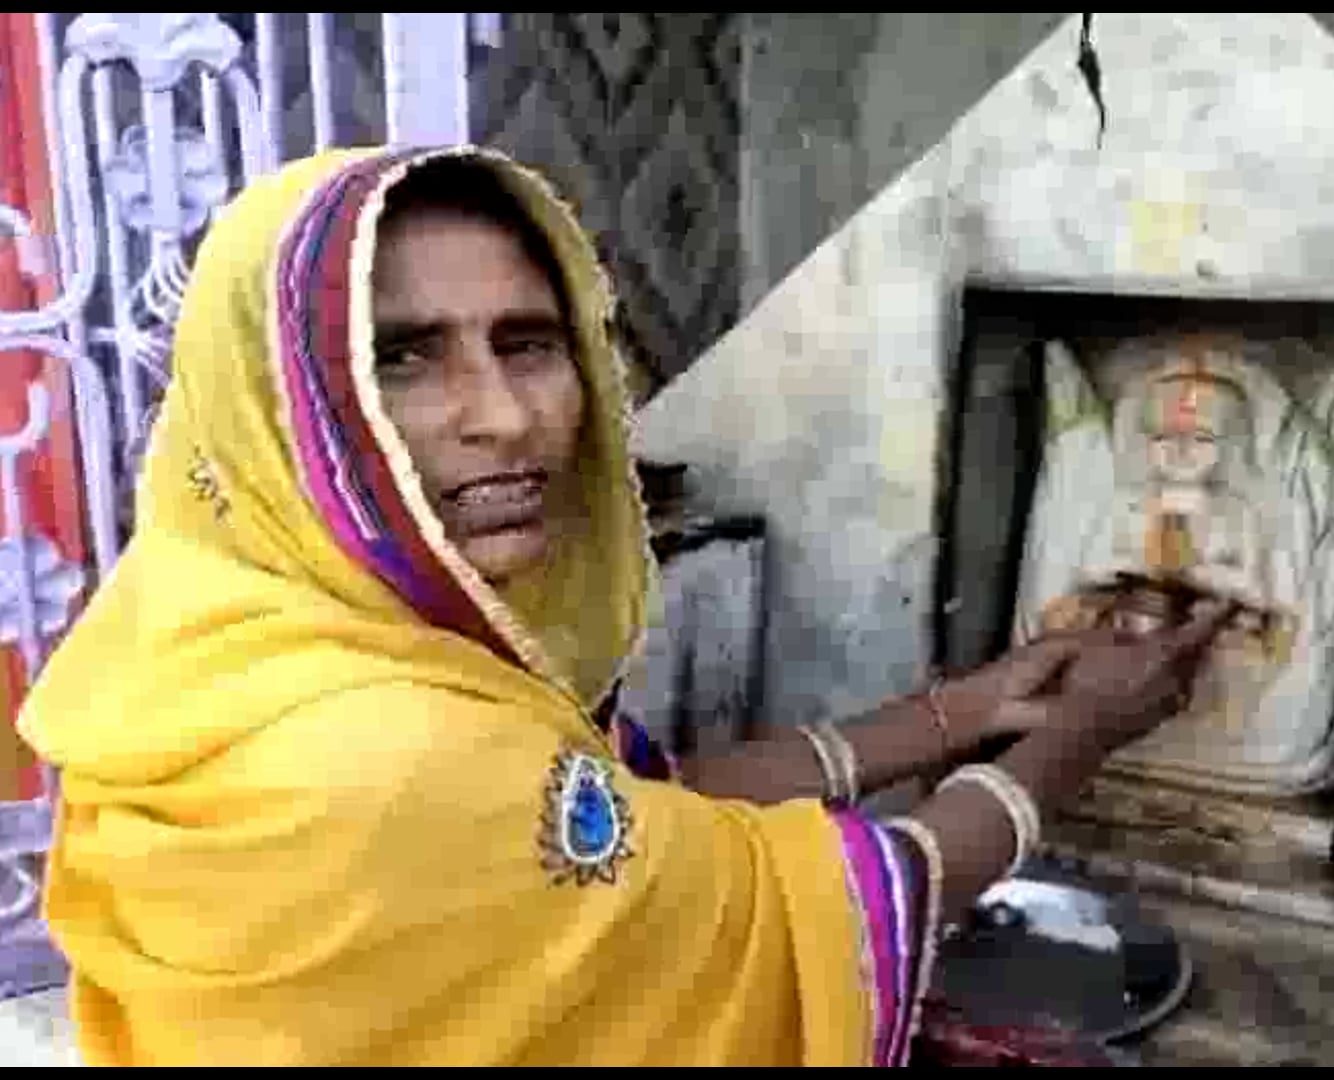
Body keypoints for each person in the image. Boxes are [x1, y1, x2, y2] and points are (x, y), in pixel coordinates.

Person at [15, 145, 1231, 1067]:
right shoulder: (386, 755)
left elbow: (633, 814)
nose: (505, 416)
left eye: (528, 343)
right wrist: (1081, 736)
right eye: (403, 356)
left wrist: (967, 711)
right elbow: (795, 916)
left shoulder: (226, 637)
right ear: (274, 409)